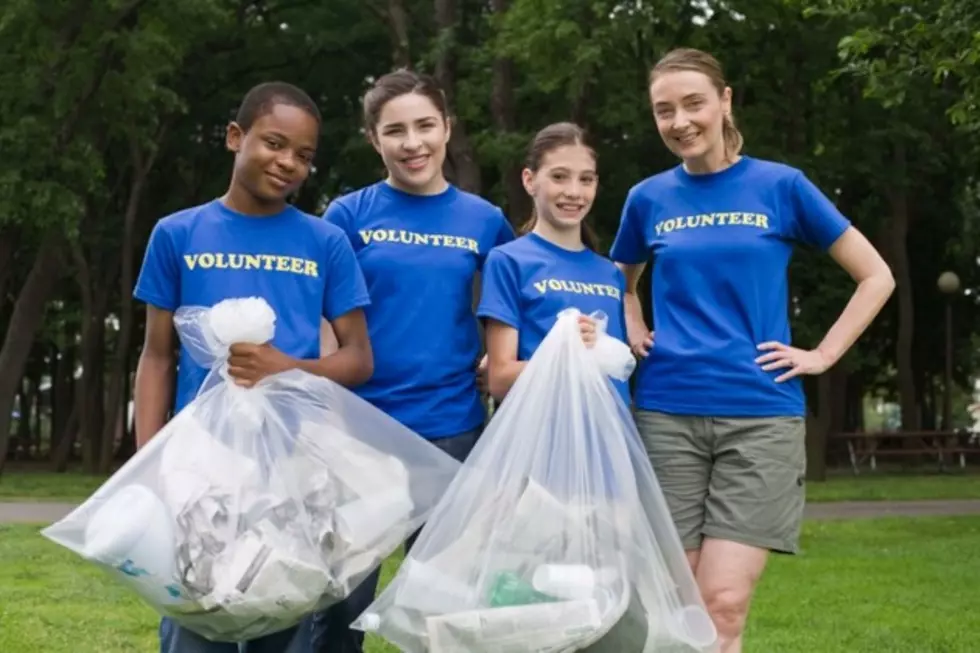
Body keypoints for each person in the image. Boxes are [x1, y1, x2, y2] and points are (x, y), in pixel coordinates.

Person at [609, 47, 895, 653]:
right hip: (666, 412)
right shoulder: (648, 198)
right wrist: (633, 319)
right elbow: (620, 280)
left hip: (760, 414)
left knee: (724, 603)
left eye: (693, 103)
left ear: (724, 100)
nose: (680, 121)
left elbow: (876, 276)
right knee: (679, 603)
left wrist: (821, 354)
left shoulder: (781, 186)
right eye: (665, 111)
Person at [133, 81, 373, 653]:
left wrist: (285, 366)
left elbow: (359, 359)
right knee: (196, 624)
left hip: (290, 467)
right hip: (200, 468)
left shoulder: (326, 242)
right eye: (274, 143)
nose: (288, 162)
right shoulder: (177, 233)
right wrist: (151, 464)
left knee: (278, 620)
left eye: (305, 155)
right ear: (235, 137)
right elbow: (157, 355)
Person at [314, 68, 514, 653]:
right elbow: (325, 323)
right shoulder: (347, 216)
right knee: (338, 609)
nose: (413, 143)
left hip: (452, 434)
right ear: (374, 139)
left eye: (426, 125)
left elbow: (515, 303)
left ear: (447, 128)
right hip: (360, 436)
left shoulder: (483, 220)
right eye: (395, 130)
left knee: (443, 611)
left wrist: (499, 357)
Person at [478, 122, 631, 408]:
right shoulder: (508, 261)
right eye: (559, 177)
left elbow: (619, 373)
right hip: (542, 439)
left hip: (609, 440)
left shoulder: (609, 272)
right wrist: (568, 351)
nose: (574, 192)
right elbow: (499, 379)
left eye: (586, 180)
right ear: (529, 180)